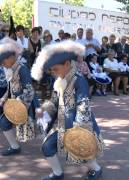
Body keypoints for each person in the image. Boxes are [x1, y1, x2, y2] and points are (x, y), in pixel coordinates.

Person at [31, 40, 105, 180]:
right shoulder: (58, 81)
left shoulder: (79, 80)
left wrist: (79, 129)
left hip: (78, 124)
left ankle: (96, 168)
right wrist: (43, 115)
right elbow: (53, 102)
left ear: (67, 64)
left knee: (83, 150)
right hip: (62, 123)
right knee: (47, 147)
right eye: (52, 70)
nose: (53, 73)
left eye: (55, 69)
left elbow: (83, 104)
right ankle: (57, 173)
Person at [0, 37, 38, 155]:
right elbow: (10, 87)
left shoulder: (22, 69)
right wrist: (4, 98)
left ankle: (52, 145)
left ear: (11, 57)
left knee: (38, 127)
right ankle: (15, 147)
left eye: (3, 61)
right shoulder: (10, 69)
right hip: (14, 104)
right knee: (4, 123)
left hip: (26, 104)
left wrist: (18, 103)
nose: (2, 64)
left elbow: (29, 91)